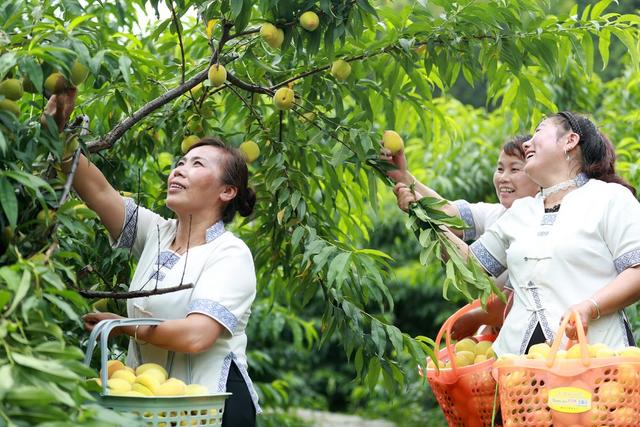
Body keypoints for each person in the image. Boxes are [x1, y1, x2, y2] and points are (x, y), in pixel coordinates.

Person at [44, 90, 261, 426]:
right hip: (154, 407)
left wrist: (124, 327)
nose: (179, 170)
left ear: (227, 191)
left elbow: (196, 335)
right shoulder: (156, 232)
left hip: (213, 409)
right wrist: (58, 132)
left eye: (197, 164)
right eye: (180, 163)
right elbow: (99, 192)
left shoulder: (230, 253)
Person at [408, 112, 640, 356]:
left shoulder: (609, 198)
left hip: (594, 363)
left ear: (570, 141)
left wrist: (590, 307)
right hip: (517, 373)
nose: (527, 143)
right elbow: (470, 267)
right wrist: (423, 218)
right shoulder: (521, 211)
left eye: (539, 132)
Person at [383, 135, 540, 339]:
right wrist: (403, 176)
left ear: (538, 175)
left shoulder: (536, 226)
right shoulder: (499, 214)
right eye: (500, 169)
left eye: (515, 169)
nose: (503, 177)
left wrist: (476, 318)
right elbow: (447, 212)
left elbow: (482, 274)